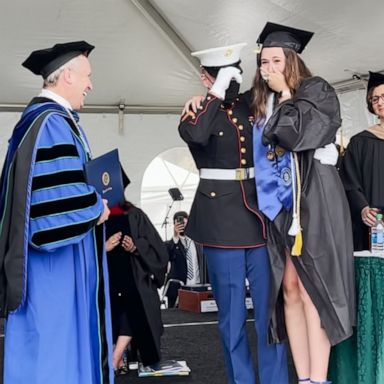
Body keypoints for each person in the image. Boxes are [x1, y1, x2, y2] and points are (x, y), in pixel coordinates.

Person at [0, 41, 114, 383]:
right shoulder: (51, 123)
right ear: (66, 77)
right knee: (53, 346)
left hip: (58, 261)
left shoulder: (47, 121)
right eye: (87, 76)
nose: (90, 85)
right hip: (55, 265)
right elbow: (56, 200)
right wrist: (96, 208)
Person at [251, 22, 355, 384]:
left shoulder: (317, 91)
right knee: (290, 290)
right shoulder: (261, 103)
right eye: (264, 62)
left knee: (313, 289)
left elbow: (293, 135)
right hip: (281, 210)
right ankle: (304, 377)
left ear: (292, 60)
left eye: (276, 60)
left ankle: (318, 377)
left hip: (314, 203)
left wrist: (284, 97)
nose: (269, 69)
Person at [179, 43, 289, 384]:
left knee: (270, 312)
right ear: (206, 77)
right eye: (223, 75)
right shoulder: (197, 112)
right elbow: (196, 134)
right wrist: (212, 93)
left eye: (236, 73)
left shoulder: (250, 104)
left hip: (257, 215)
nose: (232, 82)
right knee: (232, 317)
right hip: (219, 222)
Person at [105, 192, 169, 374]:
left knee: (136, 300)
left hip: (135, 278)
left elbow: (158, 250)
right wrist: (104, 247)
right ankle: (115, 354)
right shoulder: (94, 217)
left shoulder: (135, 214)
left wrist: (135, 247)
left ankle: (116, 355)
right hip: (106, 281)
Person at [340, 71, 384, 251]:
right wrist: (363, 207)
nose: (380, 102)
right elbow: (349, 181)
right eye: (375, 99)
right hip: (375, 224)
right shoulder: (361, 142)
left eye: (383, 97)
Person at [165, 211, 208, 308]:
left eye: (184, 223)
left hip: (197, 287)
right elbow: (168, 256)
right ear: (174, 225)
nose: (182, 226)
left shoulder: (198, 242)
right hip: (177, 289)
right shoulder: (171, 244)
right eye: (179, 223)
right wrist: (175, 237)